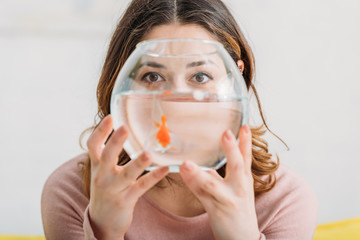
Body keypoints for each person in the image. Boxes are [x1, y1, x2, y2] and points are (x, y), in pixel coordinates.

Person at [41, 0, 318, 239]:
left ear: (237, 79)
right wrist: (104, 233)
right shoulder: (73, 193)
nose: (176, 102)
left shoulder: (285, 201)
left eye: (200, 77)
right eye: (152, 76)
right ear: (121, 81)